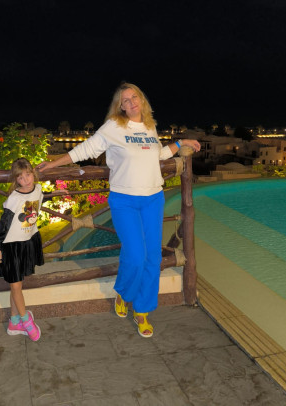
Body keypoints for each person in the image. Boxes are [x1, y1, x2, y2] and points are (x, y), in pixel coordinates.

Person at [37, 82, 200, 338]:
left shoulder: (149, 127)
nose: (131, 102)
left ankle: (142, 310)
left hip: (153, 199)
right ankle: (124, 293)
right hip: (125, 200)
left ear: (141, 99)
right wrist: (53, 164)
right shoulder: (114, 126)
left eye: (134, 97)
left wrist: (180, 143)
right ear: (121, 106)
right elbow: (85, 149)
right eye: (126, 100)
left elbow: (157, 155)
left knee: (153, 258)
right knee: (135, 255)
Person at [0, 158, 44, 341]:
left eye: (28, 175)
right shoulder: (14, 199)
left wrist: (56, 193)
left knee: (18, 284)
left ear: (33, 173)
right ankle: (26, 321)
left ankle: (14, 322)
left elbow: (39, 198)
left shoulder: (38, 189)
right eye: (20, 178)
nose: (26, 180)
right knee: (15, 286)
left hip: (27, 242)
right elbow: (3, 224)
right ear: (16, 180)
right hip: (11, 246)